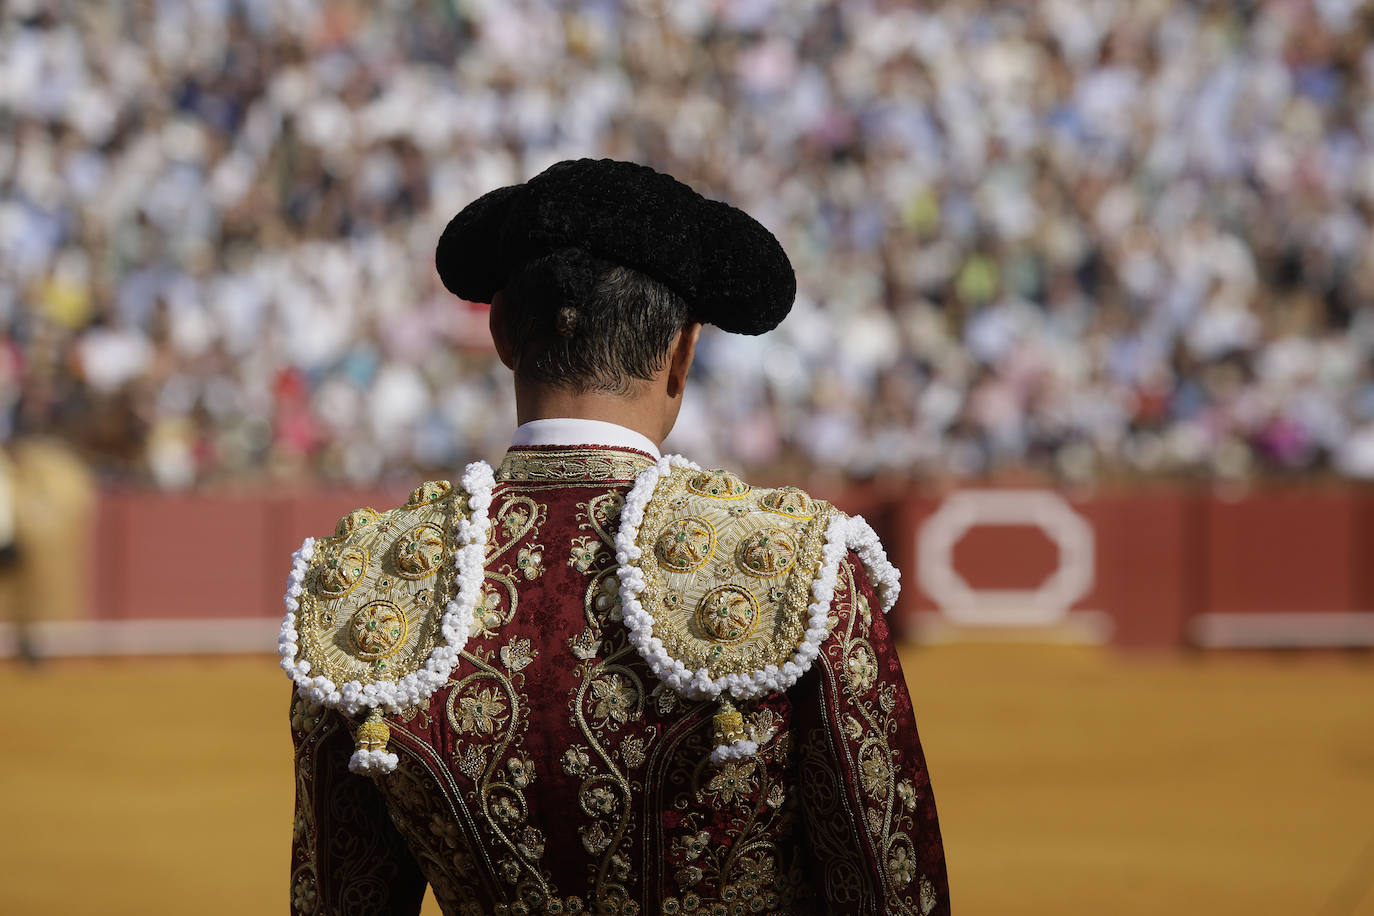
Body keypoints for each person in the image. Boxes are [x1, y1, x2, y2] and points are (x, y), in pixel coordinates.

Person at [281, 159, 948, 915]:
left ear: (501, 336)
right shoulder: (803, 566)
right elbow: (892, 886)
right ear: (682, 354)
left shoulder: (360, 583)